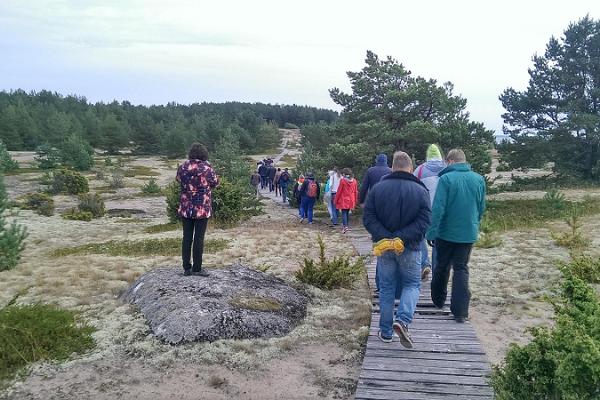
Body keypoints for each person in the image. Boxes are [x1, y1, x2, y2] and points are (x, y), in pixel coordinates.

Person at [363, 151, 431, 347]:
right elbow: (425, 221)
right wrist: (402, 237)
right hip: (411, 248)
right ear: (411, 168)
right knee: (412, 285)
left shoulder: (378, 189)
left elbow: (368, 218)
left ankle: (385, 332)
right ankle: (402, 320)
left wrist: (387, 237)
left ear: (392, 167)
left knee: (386, 288)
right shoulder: (420, 190)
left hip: (384, 248)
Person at [426, 149, 486, 323]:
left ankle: (438, 300)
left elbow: (438, 209)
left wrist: (431, 231)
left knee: (442, 267)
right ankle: (460, 312)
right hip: (468, 233)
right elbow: (481, 207)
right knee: (461, 269)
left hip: (445, 233)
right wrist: (474, 224)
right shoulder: (478, 179)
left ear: (450, 161)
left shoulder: (445, 179)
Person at [176, 143, 219, 277]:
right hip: (202, 208)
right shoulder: (206, 168)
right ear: (204, 154)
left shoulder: (183, 167)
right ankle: (197, 268)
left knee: (187, 237)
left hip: (186, 207)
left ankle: (186, 268)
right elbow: (215, 183)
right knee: (199, 238)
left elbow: (178, 180)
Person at [359, 154, 392, 291]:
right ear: (386, 161)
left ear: (376, 161)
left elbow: (364, 187)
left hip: (374, 202)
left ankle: (379, 283)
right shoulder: (390, 171)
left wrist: (361, 201)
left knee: (377, 234)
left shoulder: (371, 171)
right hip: (388, 206)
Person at [413, 144, 446, 280]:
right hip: (441, 210)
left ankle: (424, 263)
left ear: (427, 156)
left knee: (420, 237)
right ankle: (437, 271)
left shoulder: (420, 170)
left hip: (423, 210)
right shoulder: (446, 168)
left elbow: (413, 188)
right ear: (439, 156)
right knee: (438, 240)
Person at [334, 168, 358, 233]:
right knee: (347, 212)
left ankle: (345, 227)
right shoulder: (354, 181)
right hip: (351, 199)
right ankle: (347, 226)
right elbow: (356, 191)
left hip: (344, 199)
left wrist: (335, 200)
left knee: (344, 212)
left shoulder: (342, 181)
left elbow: (339, 191)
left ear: (344, 174)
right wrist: (355, 200)